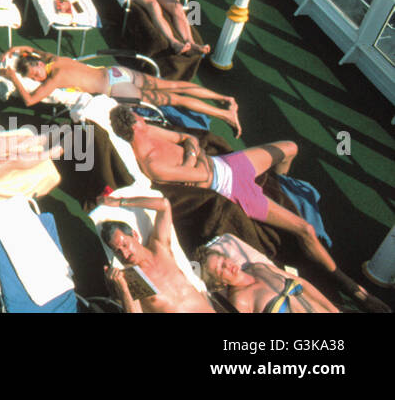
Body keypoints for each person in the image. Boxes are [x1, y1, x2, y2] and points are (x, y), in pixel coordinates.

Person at [109, 105, 389, 313]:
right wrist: (192, 155)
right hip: (233, 186)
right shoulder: (151, 164)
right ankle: (353, 288)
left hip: (232, 164)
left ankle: (279, 182)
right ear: (134, 126)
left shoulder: (158, 246)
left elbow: (187, 141)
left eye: (123, 242)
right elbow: (194, 167)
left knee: (290, 147)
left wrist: (190, 154)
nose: (143, 116)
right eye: (120, 249)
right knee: (304, 229)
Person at [0, 46, 239, 134]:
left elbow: (30, 101)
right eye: (34, 77)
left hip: (115, 87)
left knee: (172, 97)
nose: (38, 78)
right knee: (173, 86)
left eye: (35, 73)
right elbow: (28, 49)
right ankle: (225, 99)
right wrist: (13, 52)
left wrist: (13, 76)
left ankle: (225, 114)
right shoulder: (54, 59)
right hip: (116, 72)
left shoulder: (54, 77)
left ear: (39, 66)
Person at [96, 194, 215, 313]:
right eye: (118, 251)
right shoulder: (133, 277)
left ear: (135, 235)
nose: (125, 254)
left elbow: (163, 205)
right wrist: (123, 289)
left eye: (125, 245)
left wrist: (119, 202)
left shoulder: (160, 248)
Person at [196, 240, 339, 313]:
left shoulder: (259, 267)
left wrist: (335, 310)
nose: (227, 266)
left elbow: (303, 284)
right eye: (220, 269)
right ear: (219, 283)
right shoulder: (240, 301)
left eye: (223, 260)